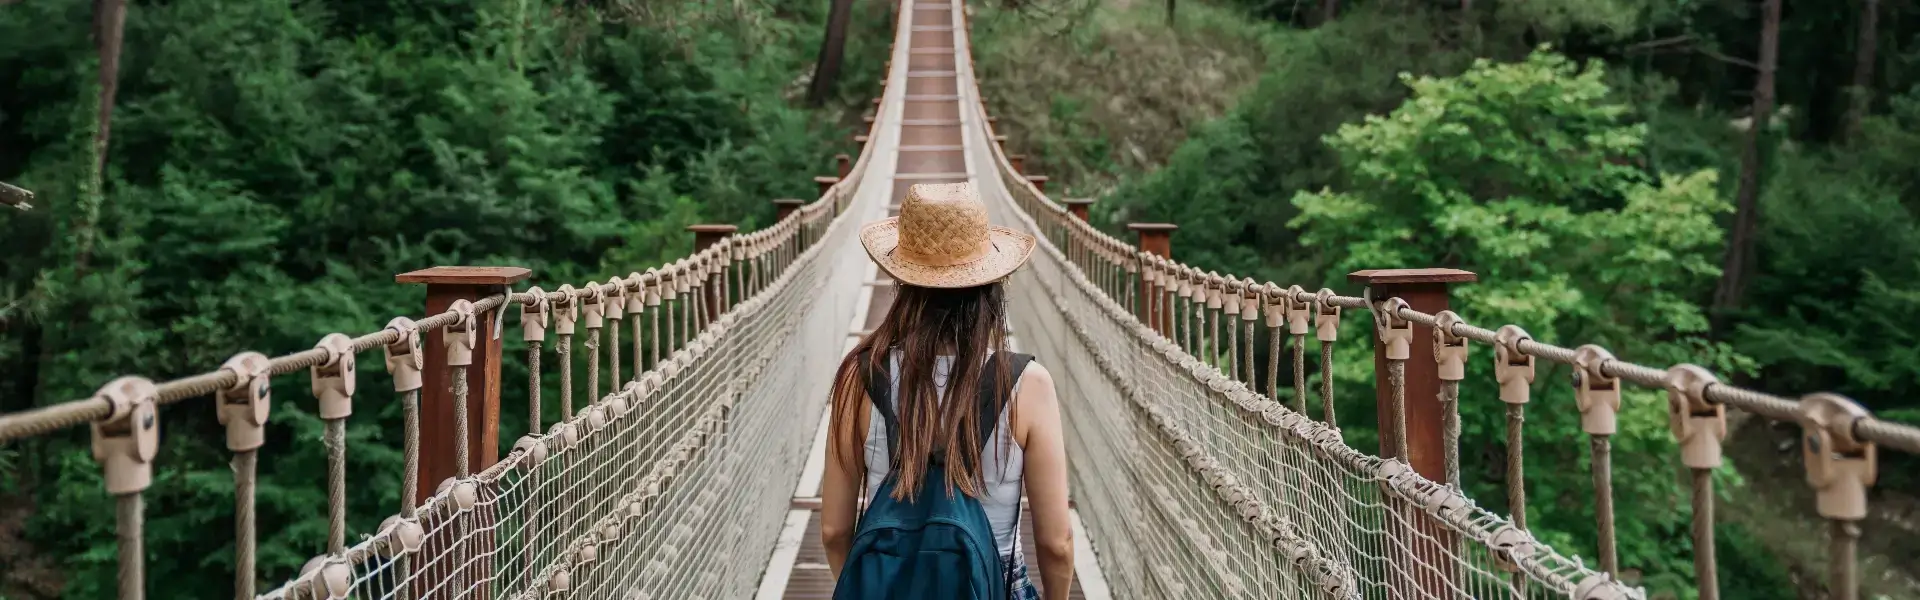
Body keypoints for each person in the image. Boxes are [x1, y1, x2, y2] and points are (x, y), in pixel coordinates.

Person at [820, 182, 1073, 600]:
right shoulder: (1028, 384)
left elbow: (833, 530)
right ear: (992, 285)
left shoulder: (859, 377)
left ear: (901, 283)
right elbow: (1056, 544)